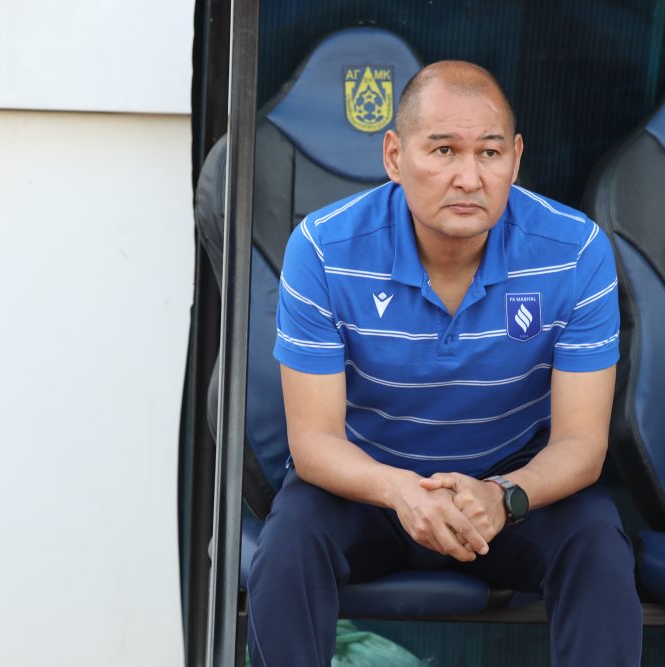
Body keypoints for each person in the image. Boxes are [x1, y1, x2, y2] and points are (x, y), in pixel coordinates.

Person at [247, 60, 642, 666]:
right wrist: (401, 491)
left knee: (598, 545)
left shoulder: (575, 251)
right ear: (394, 156)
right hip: (369, 484)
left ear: (515, 158)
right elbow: (314, 441)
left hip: (509, 485)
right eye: (443, 150)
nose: (469, 177)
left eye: (489, 153)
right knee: (287, 546)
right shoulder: (324, 249)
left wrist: (504, 495)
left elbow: (582, 445)